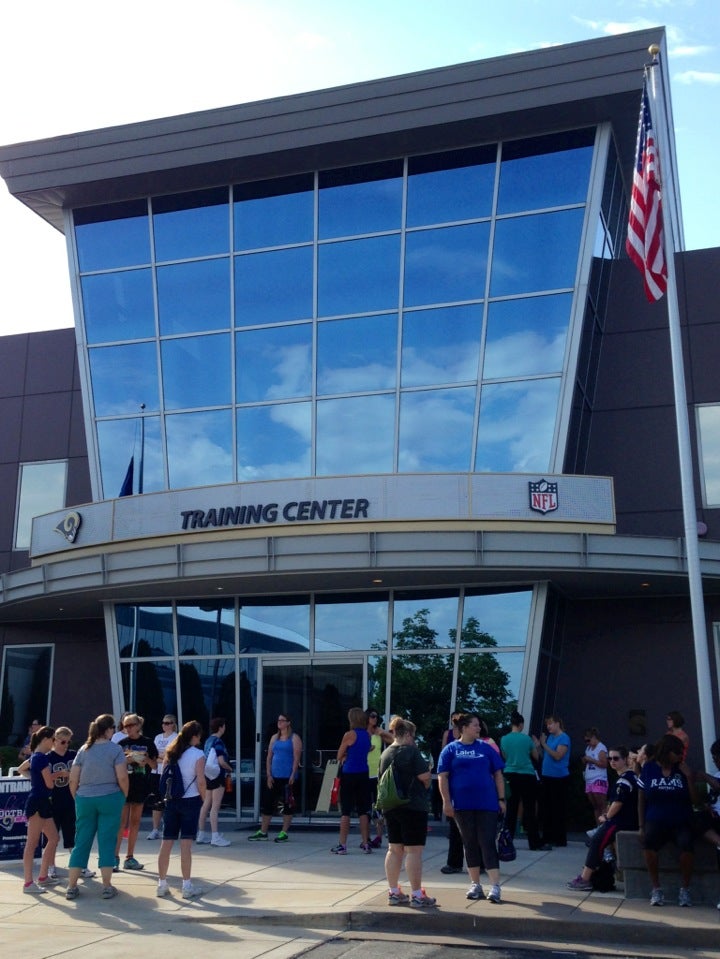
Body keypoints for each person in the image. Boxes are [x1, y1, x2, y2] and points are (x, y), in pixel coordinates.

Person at [438, 712, 506, 904]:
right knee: (469, 842)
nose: (479, 728)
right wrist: (446, 801)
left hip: (487, 803)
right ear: (465, 728)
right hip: (462, 805)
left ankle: (495, 885)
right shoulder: (450, 750)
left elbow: (498, 774)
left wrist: (501, 799)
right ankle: (475, 884)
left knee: (486, 841)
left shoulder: (486, 748)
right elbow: (443, 777)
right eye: (475, 725)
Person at [66, 714, 128, 901]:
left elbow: (73, 778)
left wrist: (76, 796)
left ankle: (71, 886)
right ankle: (107, 886)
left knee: (81, 841)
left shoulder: (84, 750)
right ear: (108, 730)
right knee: (107, 840)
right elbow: (122, 777)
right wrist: (123, 795)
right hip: (109, 796)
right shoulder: (115, 749)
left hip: (84, 798)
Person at [380, 716, 437, 908]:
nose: (414, 739)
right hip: (412, 806)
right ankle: (417, 895)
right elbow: (425, 776)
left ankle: (394, 892)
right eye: (414, 735)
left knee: (394, 849)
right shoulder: (411, 752)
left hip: (390, 806)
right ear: (408, 734)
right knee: (413, 850)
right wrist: (427, 782)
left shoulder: (386, 753)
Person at [566, 744, 639, 890]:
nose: (612, 761)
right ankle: (592, 874)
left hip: (621, 822)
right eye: (610, 758)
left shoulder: (625, 780)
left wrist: (606, 816)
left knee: (597, 841)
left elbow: (618, 803)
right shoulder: (629, 777)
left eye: (616, 758)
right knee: (598, 840)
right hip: (623, 821)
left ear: (625, 760)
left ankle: (585, 879)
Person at [638, 733, 697, 907]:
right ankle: (656, 889)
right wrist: (641, 825)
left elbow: (696, 801)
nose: (680, 756)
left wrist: (689, 778)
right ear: (666, 751)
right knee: (648, 842)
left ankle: (685, 889)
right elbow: (641, 798)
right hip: (655, 819)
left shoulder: (682, 769)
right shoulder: (649, 768)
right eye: (676, 752)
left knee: (687, 844)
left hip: (680, 819)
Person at [156, 720, 207, 900]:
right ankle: (186, 885)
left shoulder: (171, 751)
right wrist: (204, 798)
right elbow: (201, 780)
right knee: (186, 845)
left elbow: (163, 776)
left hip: (171, 801)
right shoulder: (198, 754)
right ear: (195, 736)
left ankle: (162, 884)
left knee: (166, 842)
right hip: (190, 800)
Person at [46, 727, 96, 881]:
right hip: (54, 801)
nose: (66, 744)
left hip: (72, 800)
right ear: (55, 740)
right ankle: (51, 867)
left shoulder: (73, 755)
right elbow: (36, 774)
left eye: (68, 741)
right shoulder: (49, 757)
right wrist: (58, 775)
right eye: (63, 741)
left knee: (74, 836)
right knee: (52, 838)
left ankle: (79, 866)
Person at [248, 713, 303, 842]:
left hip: (287, 777)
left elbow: (296, 758)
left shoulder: (294, 738)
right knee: (268, 803)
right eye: (278, 720)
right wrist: (268, 774)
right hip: (274, 776)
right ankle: (263, 831)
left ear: (288, 723)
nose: (279, 723)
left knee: (287, 804)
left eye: (282, 720)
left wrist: (292, 774)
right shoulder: (274, 738)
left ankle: (284, 832)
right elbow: (269, 757)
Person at [114, 713, 158, 870]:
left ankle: (130, 857)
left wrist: (145, 760)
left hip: (140, 785)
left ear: (138, 726)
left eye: (130, 725)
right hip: (124, 785)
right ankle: (115, 857)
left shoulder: (147, 743)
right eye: (125, 726)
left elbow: (154, 765)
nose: (127, 728)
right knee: (121, 822)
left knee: (135, 822)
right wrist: (127, 760)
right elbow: (114, 765)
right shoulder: (121, 743)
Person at [21, 725, 59, 894]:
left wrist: (34, 780)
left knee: (54, 837)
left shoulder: (36, 757)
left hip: (41, 800)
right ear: (45, 739)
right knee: (32, 843)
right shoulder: (41, 757)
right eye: (53, 740)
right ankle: (28, 883)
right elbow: (50, 783)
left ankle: (42, 876)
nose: (54, 743)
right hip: (38, 801)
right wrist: (59, 775)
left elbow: (22, 769)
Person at [500, 711, 544, 850]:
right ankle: (534, 842)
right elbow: (537, 757)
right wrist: (537, 745)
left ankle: (508, 839)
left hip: (510, 774)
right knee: (529, 809)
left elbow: (505, 757)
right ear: (521, 724)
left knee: (511, 809)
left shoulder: (504, 739)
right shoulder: (527, 739)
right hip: (527, 774)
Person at [331, 706, 372, 854]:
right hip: (363, 773)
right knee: (363, 810)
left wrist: (345, 756)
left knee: (346, 811)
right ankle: (366, 843)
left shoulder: (349, 735)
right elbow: (367, 749)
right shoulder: (367, 735)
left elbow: (339, 755)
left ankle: (342, 844)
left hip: (349, 773)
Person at [533, 714, 571, 847]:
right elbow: (545, 756)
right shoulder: (550, 737)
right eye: (547, 724)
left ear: (558, 724)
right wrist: (539, 746)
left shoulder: (564, 738)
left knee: (558, 808)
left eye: (550, 724)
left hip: (559, 777)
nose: (548, 726)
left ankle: (559, 838)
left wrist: (544, 744)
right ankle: (547, 836)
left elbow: (558, 756)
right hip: (547, 775)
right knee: (546, 807)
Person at [196, 717, 233, 846]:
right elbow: (221, 761)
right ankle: (215, 836)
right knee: (215, 807)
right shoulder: (218, 742)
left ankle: (201, 834)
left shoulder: (208, 741)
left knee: (206, 804)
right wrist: (230, 768)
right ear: (221, 727)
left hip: (208, 775)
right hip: (218, 775)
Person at [439, 712, 465, 874]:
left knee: (475, 831)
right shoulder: (450, 746)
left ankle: (482, 863)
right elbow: (443, 769)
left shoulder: (479, 745)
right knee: (455, 828)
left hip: (469, 792)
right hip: (455, 790)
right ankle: (455, 863)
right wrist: (446, 800)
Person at [147, 714, 179, 840]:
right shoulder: (157, 737)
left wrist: (162, 756)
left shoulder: (176, 737)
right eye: (164, 723)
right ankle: (155, 829)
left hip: (167, 773)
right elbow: (153, 754)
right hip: (156, 772)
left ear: (173, 724)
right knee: (156, 801)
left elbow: (171, 755)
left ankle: (169, 827)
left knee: (168, 801)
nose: (165, 725)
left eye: (168, 723)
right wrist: (161, 756)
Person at [366, 708, 393, 849]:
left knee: (378, 806)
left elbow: (394, 740)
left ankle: (378, 836)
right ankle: (366, 838)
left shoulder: (378, 733)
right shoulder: (361, 733)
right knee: (365, 806)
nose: (374, 719)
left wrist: (382, 732)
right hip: (364, 772)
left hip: (377, 773)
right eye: (372, 716)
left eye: (376, 717)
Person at [582, 727, 608, 826]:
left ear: (593, 737)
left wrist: (591, 760)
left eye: (588, 740)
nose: (587, 742)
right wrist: (585, 760)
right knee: (595, 806)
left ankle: (604, 828)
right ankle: (598, 828)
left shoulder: (601, 748)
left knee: (602, 805)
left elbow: (604, 764)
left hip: (599, 779)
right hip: (589, 779)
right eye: (585, 741)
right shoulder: (588, 748)